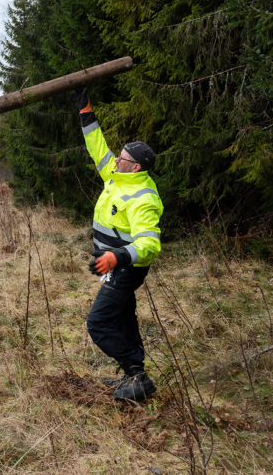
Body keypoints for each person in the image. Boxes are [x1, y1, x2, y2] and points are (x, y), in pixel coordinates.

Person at [75, 88, 163, 401]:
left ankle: (136, 376)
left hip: (126, 269)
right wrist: (87, 113)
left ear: (135, 166)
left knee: (98, 323)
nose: (116, 160)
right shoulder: (117, 177)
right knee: (124, 316)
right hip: (115, 264)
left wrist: (116, 258)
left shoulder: (143, 199)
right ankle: (134, 374)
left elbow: (150, 244)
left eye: (122, 159)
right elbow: (98, 149)